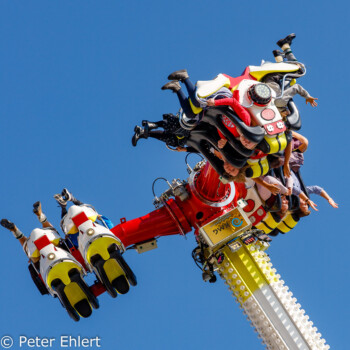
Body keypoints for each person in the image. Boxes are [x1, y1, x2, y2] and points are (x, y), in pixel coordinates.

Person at [161, 69, 232, 119]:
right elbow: (233, 102)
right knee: (197, 102)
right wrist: (216, 102)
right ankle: (185, 77)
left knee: (190, 114)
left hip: (215, 109)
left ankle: (176, 88)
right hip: (223, 96)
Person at [131, 113, 197, 152]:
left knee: (174, 141)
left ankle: (143, 131)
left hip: (187, 137)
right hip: (191, 125)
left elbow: (201, 150)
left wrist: (184, 149)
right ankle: (152, 125)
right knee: (176, 125)